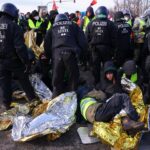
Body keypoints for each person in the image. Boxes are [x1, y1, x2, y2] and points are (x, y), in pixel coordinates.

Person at [0, 3, 37, 110]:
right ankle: (33, 100)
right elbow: (20, 47)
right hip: (14, 60)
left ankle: (5, 105)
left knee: (4, 83)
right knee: (24, 80)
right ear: (11, 12)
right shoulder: (14, 26)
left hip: (1, 61)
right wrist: (26, 62)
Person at [44, 14, 87, 98]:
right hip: (71, 55)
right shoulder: (73, 25)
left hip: (57, 55)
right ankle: (71, 99)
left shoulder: (52, 27)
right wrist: (82, 57)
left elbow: (47, 44)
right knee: (73, 79)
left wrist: (49, 57)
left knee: (57, 82)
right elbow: (83, 42)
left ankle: (55, 101)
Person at [80, 93, 144, 134]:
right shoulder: (89, 94)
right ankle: (135, 119)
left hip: (95, 118)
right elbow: (102, 95)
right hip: (97, 113)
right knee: (123, 97)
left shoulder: (83, 103)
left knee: (116, 109)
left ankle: (126, 123)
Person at [85, 6, 117, 84]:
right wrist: (113, 50)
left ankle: (97, 83)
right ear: (106, 13)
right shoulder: (111, 24)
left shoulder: (90, 23)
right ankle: (107, 83)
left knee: (96, 67)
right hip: (107, 49)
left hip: (94, 49)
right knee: (107, 66)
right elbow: (114, 38)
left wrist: (90, 47)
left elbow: (86, 37)